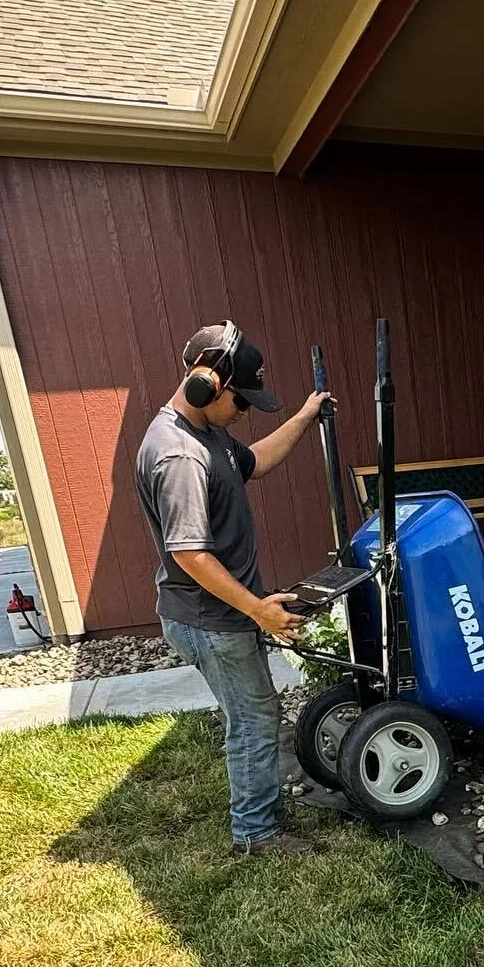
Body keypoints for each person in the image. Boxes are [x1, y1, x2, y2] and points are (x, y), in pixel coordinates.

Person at [136, 322, 331, 857]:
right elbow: (190, 554)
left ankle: (259, 818)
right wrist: (257, 610)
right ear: (208, 381)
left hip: (222, 615)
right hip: (211, 618)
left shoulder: (208, 434)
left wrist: (303, 417)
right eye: (241, 400)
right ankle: (256, 833)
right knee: (253, 719)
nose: (244, 412)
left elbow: (255, 462)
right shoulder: (178, 455)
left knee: (251, 713)